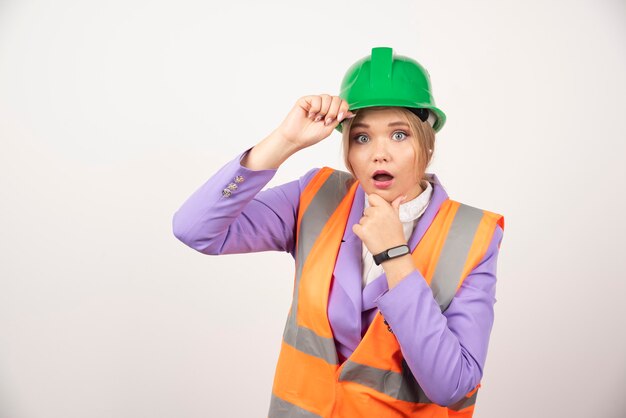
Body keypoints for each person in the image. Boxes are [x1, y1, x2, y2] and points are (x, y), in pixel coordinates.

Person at [172, 46, 505, 418]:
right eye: (362, 138)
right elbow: (195, 229)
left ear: (426, 143)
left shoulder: (473, 234)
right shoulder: (315, 196)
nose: (379, 154)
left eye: (399, 135)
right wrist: (285, 140)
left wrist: (395, 257)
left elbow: (453, 385)